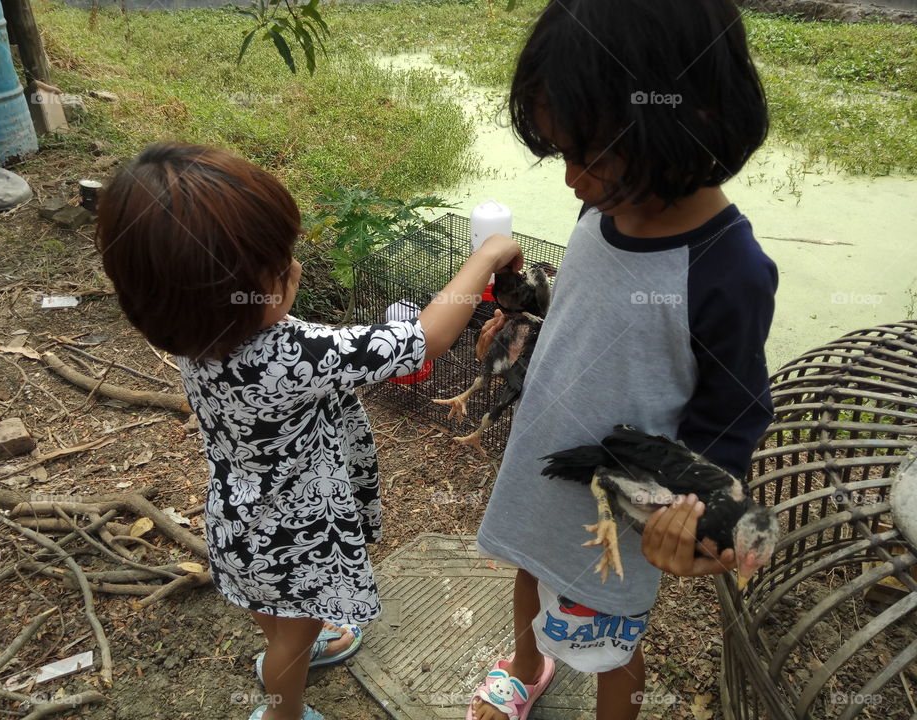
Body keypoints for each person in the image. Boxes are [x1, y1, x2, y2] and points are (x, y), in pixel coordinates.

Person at [94, 142, 522, 720]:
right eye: (279, 265)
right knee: (290, 640)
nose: (294, 267)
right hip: (298, 535)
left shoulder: (192, 334)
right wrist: (487, 254)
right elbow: (426, 341)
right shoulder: (292, 351)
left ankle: (289, 646)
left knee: (278, 620)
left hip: (241, 519)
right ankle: (282, 710)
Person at [467, 0, 777, 718]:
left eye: (589, 155)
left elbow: (734, 414)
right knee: (528, 563)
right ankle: (524, 668)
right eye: (564, 153)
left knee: (608, 631)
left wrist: (695, 513)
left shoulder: (728, 269)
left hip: (619, 492)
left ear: (685, 119)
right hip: (544, 454)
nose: (571, 179)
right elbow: (585, 313)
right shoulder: (601, 209)